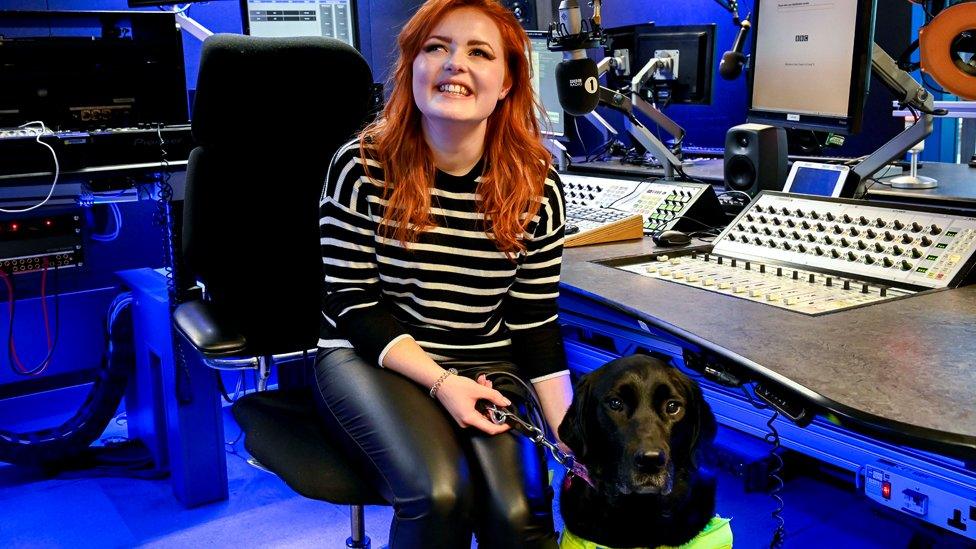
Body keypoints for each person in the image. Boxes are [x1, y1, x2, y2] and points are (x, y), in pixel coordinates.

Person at [313, 0, 572, 547]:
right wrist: (442, 383)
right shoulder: (360, 167)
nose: (455, 63)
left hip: (485, 355)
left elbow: (533, 321)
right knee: (440, 496)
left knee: (520, 513)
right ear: (412, 68)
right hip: (372, 354)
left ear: (506, 83)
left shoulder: (537, 187)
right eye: (437, 47)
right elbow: (352, 301)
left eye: (479, 52)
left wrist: (571, 438)